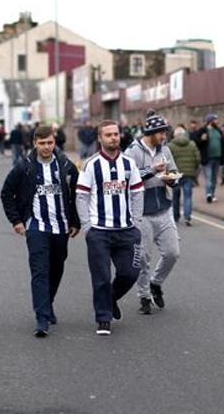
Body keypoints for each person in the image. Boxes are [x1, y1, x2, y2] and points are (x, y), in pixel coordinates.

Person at [0, 125, 80, 337]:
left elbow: (76, 195)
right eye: (42, 143)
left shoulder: (65, 165)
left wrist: (75, 222)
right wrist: (16, 220)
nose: (46, 147)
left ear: (55, 142)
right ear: (35, 143)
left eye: (50, 143)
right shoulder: (24, 166)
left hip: (61, 227)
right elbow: (6, 193)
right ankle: (42, 317)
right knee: (40, 271)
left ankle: (48, 303)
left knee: (56, 269)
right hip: (36, 227)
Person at [76, 119, 144, 336]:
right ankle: (103, 318)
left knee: (130, 273)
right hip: (99, 232)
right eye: (108, 135)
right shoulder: (91, 164)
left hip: (126, 231)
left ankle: (111, 298)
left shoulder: (129, 164)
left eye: (116, 134)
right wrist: (87, 227)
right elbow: (81, 196)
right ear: (100, 138)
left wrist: (137, 222)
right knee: (102, 277)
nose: (113, 138)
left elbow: (137, 192)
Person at [125, 110, 181, 315]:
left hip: (164, 208)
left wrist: (172, 179)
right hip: (142, 213)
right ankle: (144, 296)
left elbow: (175, 172)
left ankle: (156, 283)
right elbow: (127, 178)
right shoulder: (133, 151)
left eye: (165, 133)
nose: (165, 137)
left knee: (172, 253)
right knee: (142, 258)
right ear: (152, 132)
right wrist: (152, 171)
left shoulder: (165, 149)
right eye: (162, 133)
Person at [194, 113, 224, 203]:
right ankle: (208, 194)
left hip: (217, 158)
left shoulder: (219, 131)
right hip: (207, 159)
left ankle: (212, 194)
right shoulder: (203, 130)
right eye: (215, 120)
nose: (217, 121)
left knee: (214, 178)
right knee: (209, 177)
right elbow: (196, 141)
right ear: (210, 121)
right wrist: (201, 139)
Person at [170, 128, 201, 225]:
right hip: (189, 173)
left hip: (176, 175)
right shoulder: (192, 144)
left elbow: (168, 161)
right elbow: (197, 159)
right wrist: (194, 170)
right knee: (188, 196)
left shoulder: (171, 146)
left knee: (175, 196)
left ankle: (175, 216)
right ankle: (187, 217)